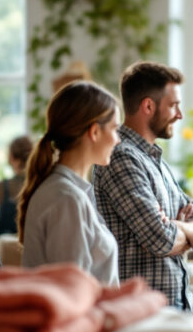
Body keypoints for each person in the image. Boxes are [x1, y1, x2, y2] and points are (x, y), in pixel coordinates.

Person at [92, 62, 193, 310]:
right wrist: (183, 232)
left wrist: (176, 225)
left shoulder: (155, 161)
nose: (179, 114)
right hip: (141, 311)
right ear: (148, 106)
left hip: (174, 307)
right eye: (173, 105)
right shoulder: (120, 158)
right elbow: (160, 240)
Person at [18, 81, 120, 285]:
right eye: (115, 128)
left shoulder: (71, 192)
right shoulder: (67, 199)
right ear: (94, 132)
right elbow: (73, 291)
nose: (118, 139)